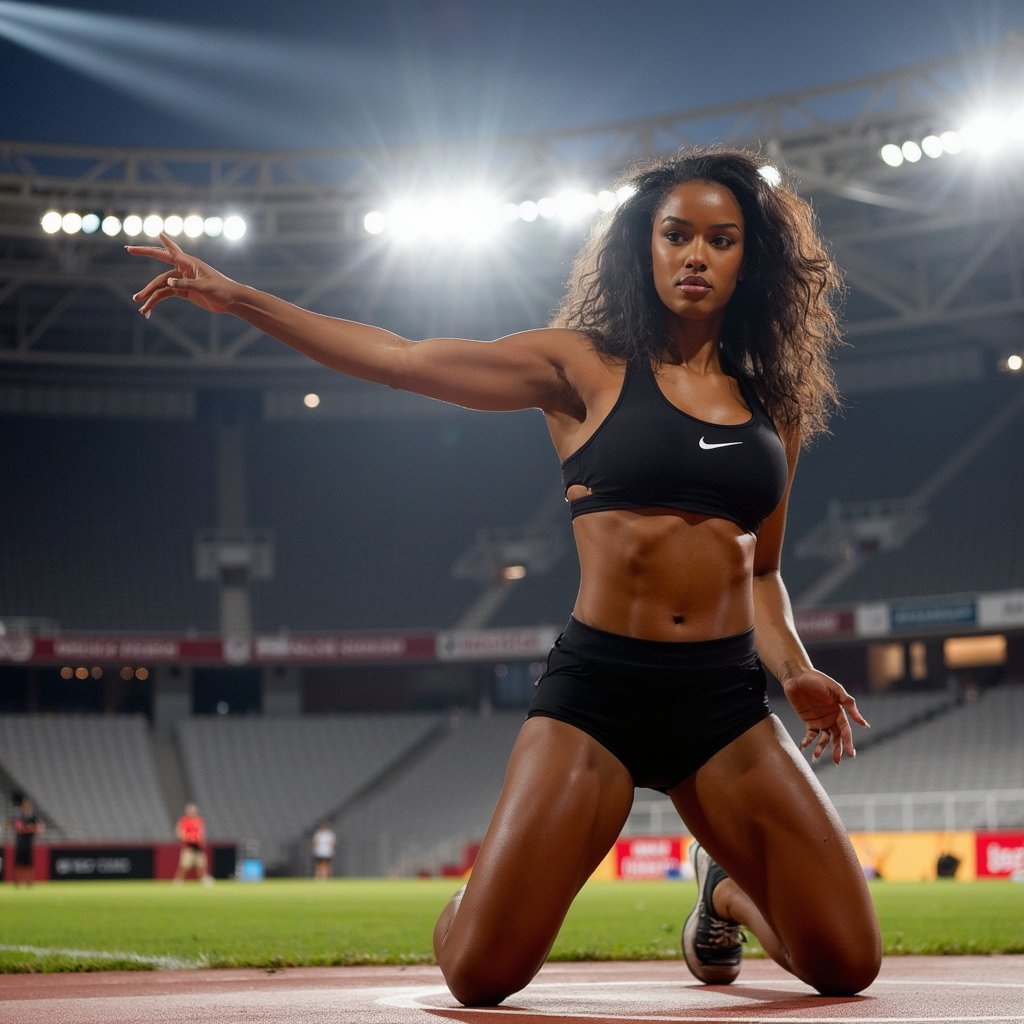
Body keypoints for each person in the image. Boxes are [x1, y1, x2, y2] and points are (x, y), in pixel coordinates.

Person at [129, 147, 881, 1005]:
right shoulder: (580, 367)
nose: (696, 256)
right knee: (481, 976)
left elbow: (764, 571)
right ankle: (483, 902)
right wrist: (237, 297)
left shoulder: (771, 404)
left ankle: (727, 892)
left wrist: (795, 671)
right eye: (676, 235)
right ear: (646, 247)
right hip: (601, 697)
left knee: (847, 964)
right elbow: (401, 358)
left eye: (722, 238)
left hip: (724, 706)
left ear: (753, 259)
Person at [173, 802, 213, 885]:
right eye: (191, 810)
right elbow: (180, 833)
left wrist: (200, 840)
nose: (192, 812)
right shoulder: (184, 821)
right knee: (184, 864)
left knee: (202, 864)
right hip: (188, 846)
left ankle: (204, 879)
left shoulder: (199, 821)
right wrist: (190, 838)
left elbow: (202, 833)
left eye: (194, 810)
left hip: (198, 847)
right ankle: (178, 880)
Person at [12, 797, 44, 886]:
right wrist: (30, 828)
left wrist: (30, 828)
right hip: (20, 843)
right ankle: (17, 881)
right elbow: (19, 828)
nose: (26, 806)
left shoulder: (33, 817)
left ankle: (29, 881)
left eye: (28, 805)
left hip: (28, 844)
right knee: (18, 864)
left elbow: (40, 828)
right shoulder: (19, 816)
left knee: (29, 864)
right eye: (25, 805)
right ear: (22, 806)